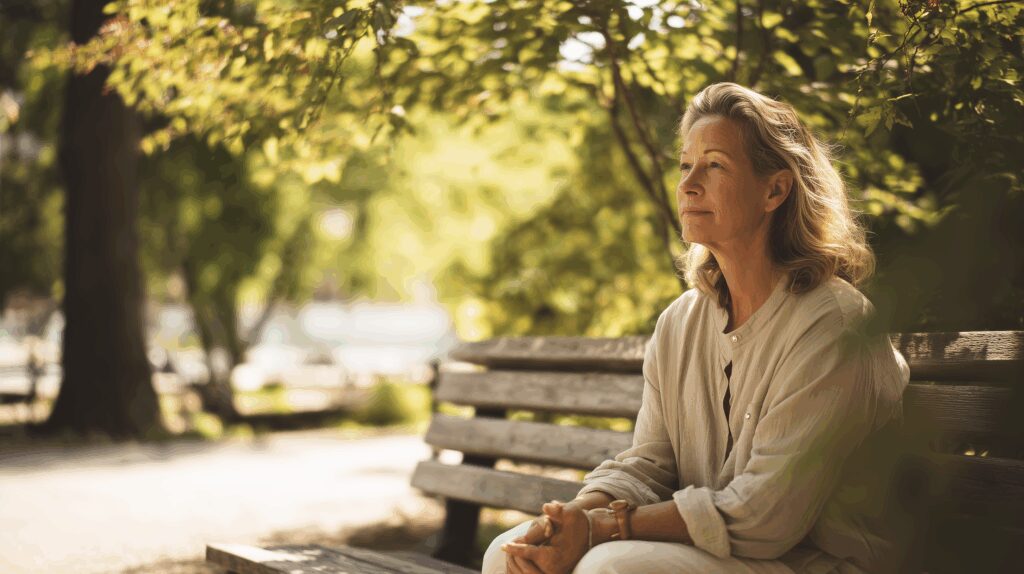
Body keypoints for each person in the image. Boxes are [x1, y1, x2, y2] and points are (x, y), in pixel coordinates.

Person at [481, 82, 914, 574]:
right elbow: (648, 463)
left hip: (812, 562)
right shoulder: (681, 323)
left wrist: (605, 528)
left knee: (612, 568)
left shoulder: (834, 324)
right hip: (716, 555)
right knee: (509, 552)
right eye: (686, 165)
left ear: (774, 189)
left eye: (715, 165)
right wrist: (569, 522)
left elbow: (765, 516)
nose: (688, 184)